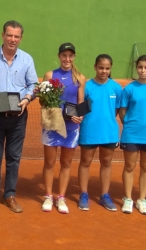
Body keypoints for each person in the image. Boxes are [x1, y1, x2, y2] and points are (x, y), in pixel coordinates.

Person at [0, 20, 38, 213]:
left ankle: (10, 195)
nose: (12, 39)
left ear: (21, 38)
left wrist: (27, 99)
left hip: (18, 116)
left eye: (16, 36)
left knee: (13, 157)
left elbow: (33, 85)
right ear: (3, 35)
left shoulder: (27, 59)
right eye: (9, 35)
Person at [41, 43, 86, 214]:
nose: (67, 59)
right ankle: (48, 196)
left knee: (66, 163)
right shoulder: (50, 75)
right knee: (49, 163)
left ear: (74, 57)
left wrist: (79, 116)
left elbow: (80, 103)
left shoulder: (79, 78)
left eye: (70, 56)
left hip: (71, 127)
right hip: (52, 126)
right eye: (64, 55)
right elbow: (43, 101)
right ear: (59, 56)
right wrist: (51, 107)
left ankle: (61, 197)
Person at [77, 54, 122, 212]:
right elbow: (81, 107)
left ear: (110, 69)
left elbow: (116, 110)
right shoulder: (87, 86)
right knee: (85, 162)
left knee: (106, 163)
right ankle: (83, 194)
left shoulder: (116, 88)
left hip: (109, 132)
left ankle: (104, 195)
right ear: (95, 67)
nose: (104, 71)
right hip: (89, 131)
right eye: (101, 67)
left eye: (107, 68)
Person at [119, 55, 146, 214]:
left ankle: (142, 199)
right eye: (140, 67)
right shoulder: (129, 88)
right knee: (130, 166)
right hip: (132, 134)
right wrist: (128, 124)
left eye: (145, 67)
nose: (143, 71)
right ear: (136, 68)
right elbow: (122, 110)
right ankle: (128, 199)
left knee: (145, 167)